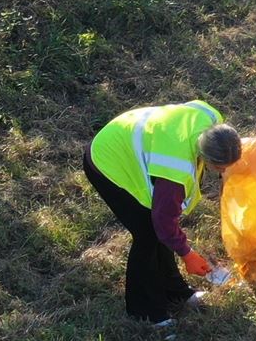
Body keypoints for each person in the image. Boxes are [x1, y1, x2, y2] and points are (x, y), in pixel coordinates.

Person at [84, 100, 244, 326]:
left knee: (156, 231)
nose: (224, 171)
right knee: (147, 234)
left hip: (128, 139)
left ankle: (175, 291)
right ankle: (146, 311)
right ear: (204, 157)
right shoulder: (176, 169)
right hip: (107, 161)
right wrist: (187, 254)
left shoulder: (211, 119)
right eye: (221, 168)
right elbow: (163, 222)